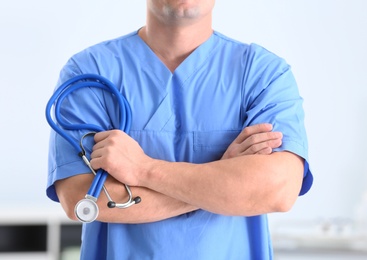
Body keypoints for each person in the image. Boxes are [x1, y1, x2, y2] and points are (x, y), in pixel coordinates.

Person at [46, 1, 313, 259]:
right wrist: (224, 181)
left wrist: (143, 169)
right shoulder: (90, 73)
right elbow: (80, 199)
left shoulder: (262, 74)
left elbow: (278, 189)